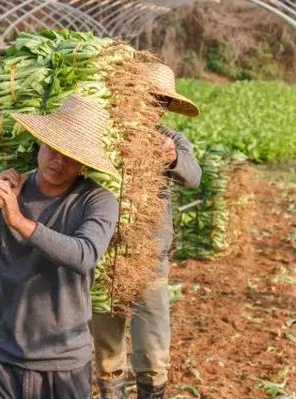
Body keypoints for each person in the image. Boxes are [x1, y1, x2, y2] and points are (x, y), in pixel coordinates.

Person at [0, 95, 120, 399]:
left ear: (85, 163)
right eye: (52, 149)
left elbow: (84, 255)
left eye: (70, 156)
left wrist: (19, 221)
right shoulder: (9, 188)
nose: (58, 161)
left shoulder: (97, 201)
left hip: (63, 364)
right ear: (40, 145)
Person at [92, 62, 202, 399]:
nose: (152, 107)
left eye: (160, 102)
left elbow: (194, 177)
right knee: (107, 346)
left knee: (153, 344)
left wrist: (170, 159)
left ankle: (151, 390)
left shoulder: (171, 139)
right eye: (146, 98)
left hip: (148, 255)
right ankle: (112, 391)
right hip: (106, 255)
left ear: (166, 107)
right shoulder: (105, 134)